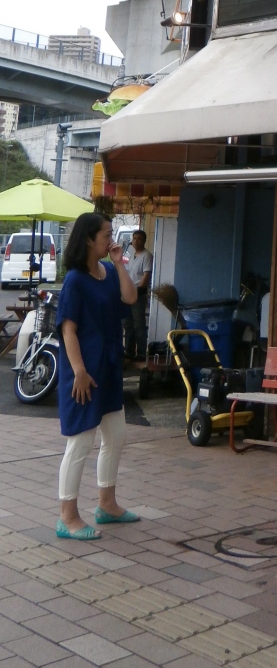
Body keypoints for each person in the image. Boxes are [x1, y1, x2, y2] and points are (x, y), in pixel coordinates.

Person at [56, 213, 139, 540]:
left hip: (108, 368)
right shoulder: (75, 280)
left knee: (116, 435)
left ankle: (107, 504)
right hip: (85, 372)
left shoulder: (108, 272)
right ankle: (67, 517)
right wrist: (78, 371)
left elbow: (130, 297)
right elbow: (68, 330)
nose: (112, 239)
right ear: (89, 239)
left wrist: (119, 263)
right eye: (106, 234)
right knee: (80, 442)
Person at [125, 230, 152, 363]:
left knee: (139, 324)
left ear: (144, 241)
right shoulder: (132, 256)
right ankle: (129, 351)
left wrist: (138, 290)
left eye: (139, 239)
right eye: (134, 238)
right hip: (128, 293)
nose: (136, 241)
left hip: (138, 294)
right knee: (128, 324)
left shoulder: (146, 256)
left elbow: (146, 275)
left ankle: (141, 353)